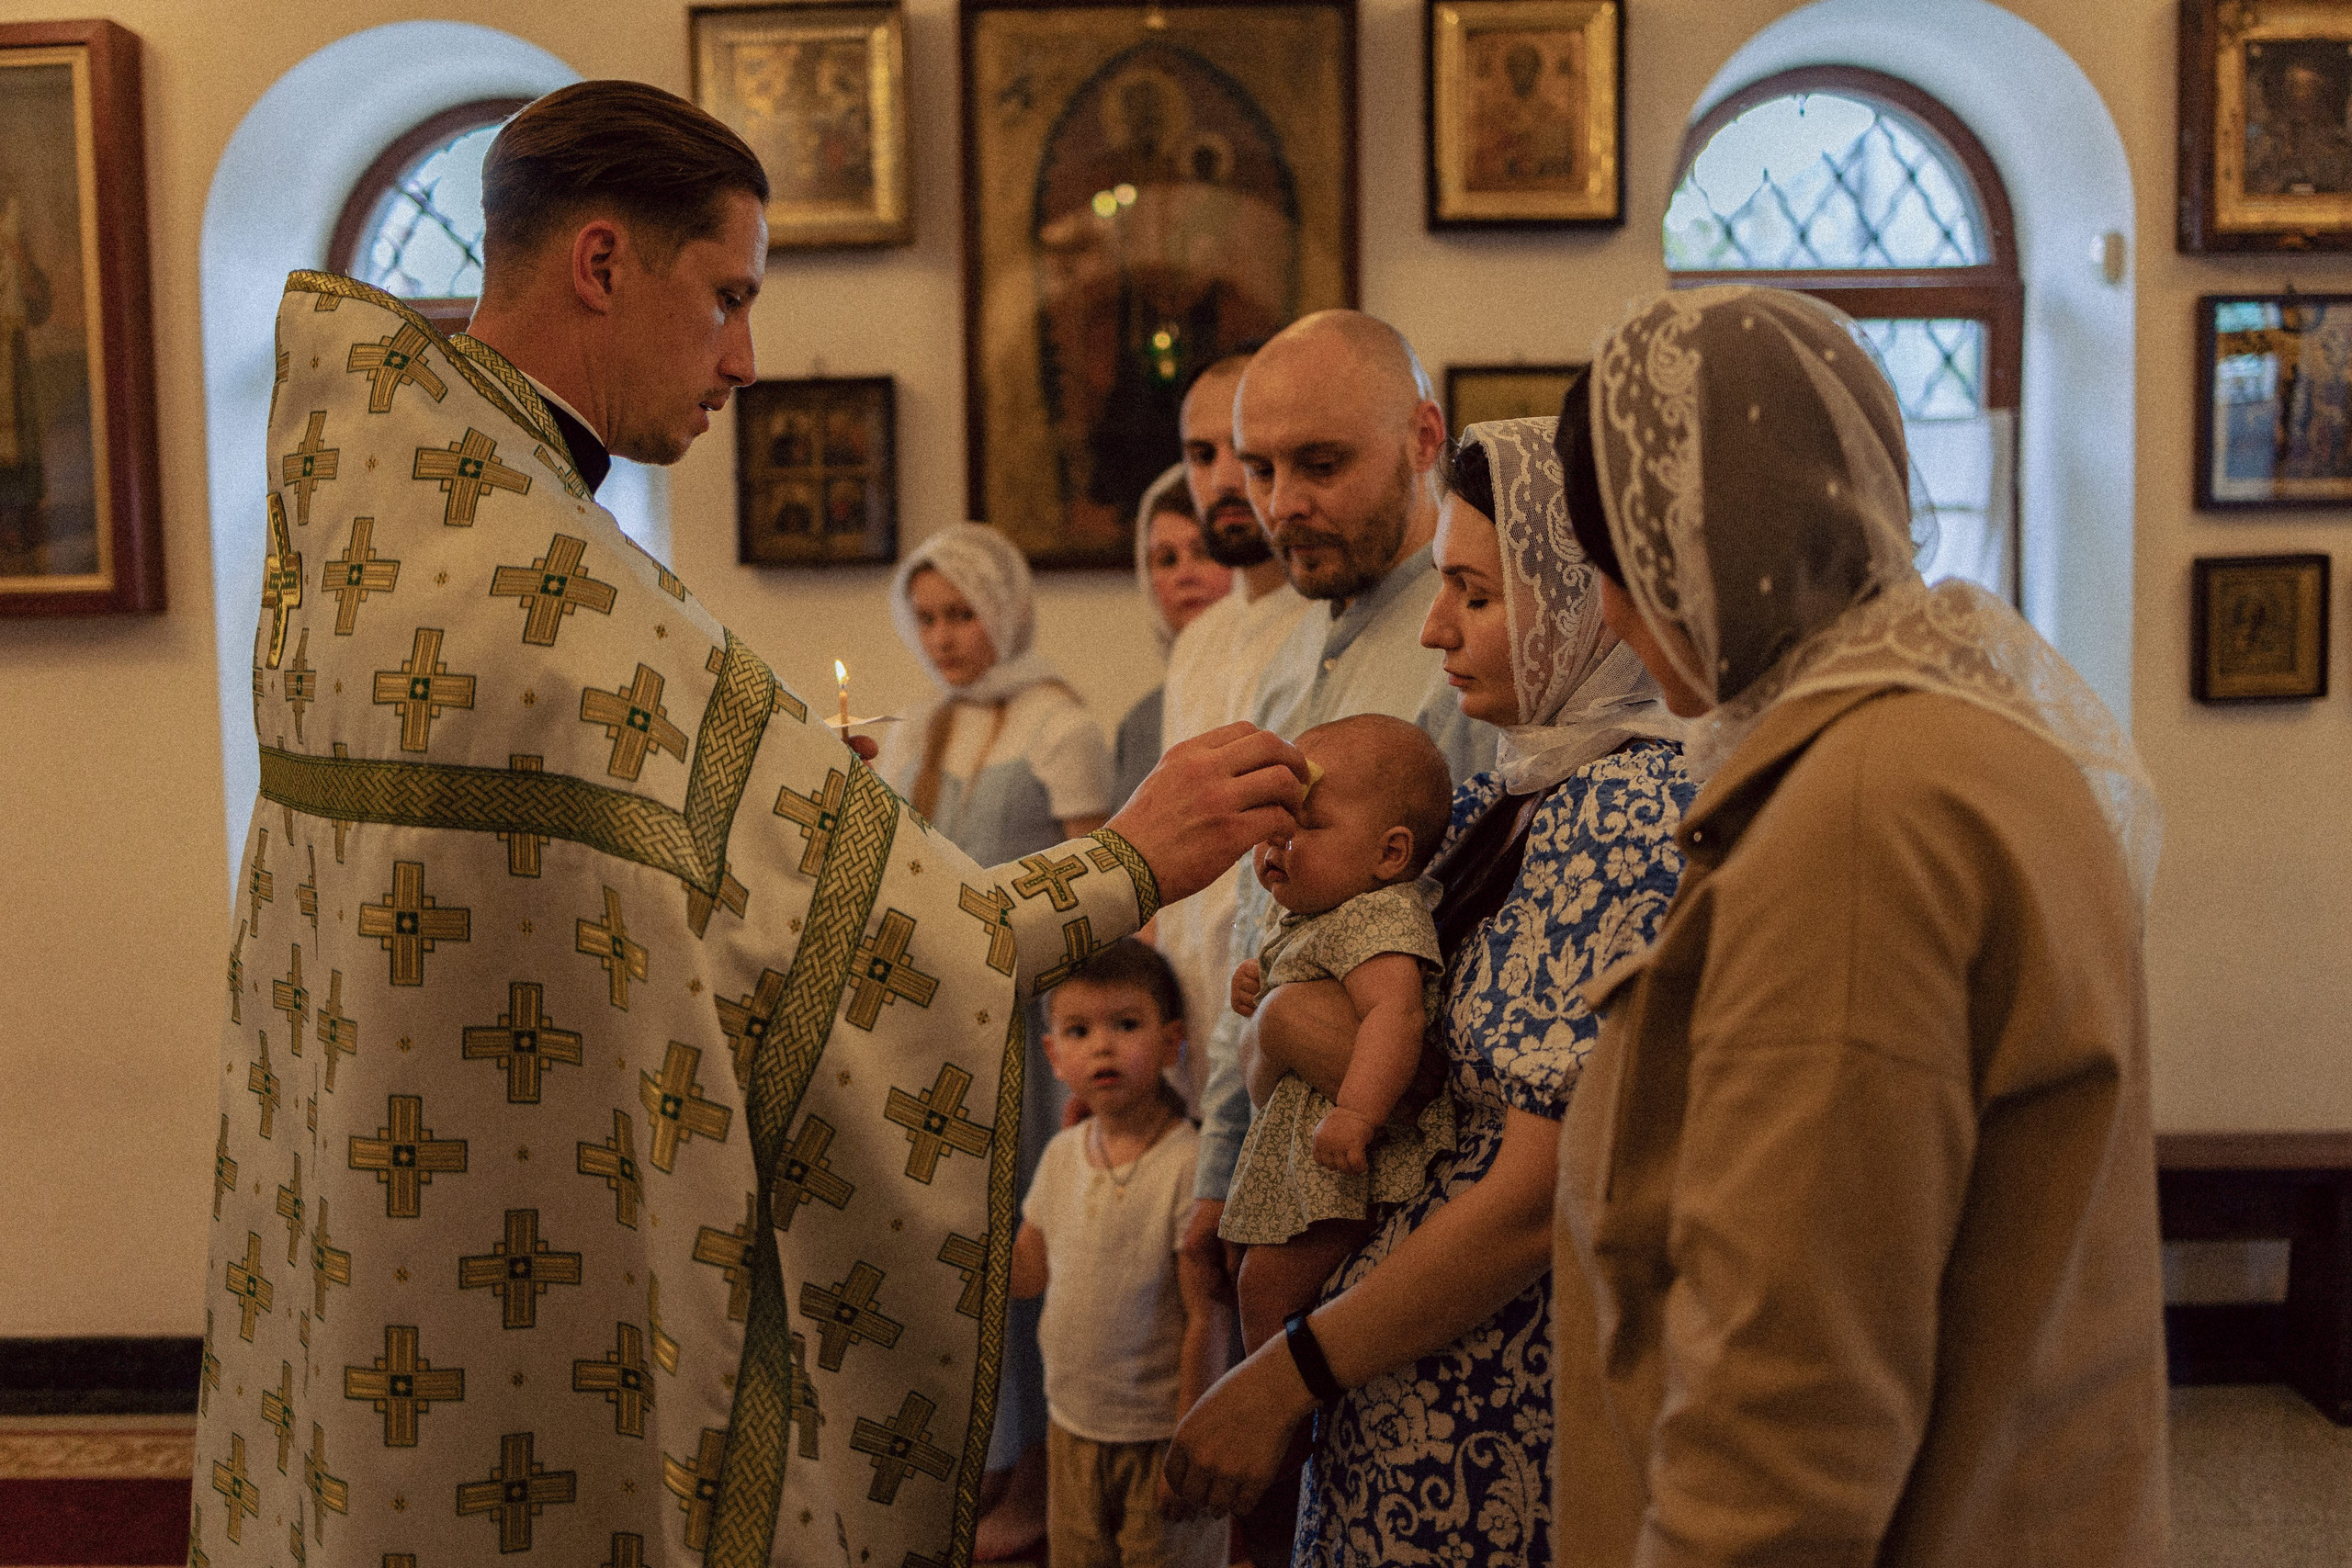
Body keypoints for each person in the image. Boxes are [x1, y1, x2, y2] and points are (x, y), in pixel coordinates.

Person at [197, 81, 1307, 1568]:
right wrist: (1132, 856)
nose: (745, 357)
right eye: (725, 295)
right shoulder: (546, 595)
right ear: (603, 262)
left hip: (378, 1275)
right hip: (539, 1309)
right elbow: (875, 938)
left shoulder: (384, 529)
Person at [1548, 286, 2168, 1566]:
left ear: (1697, 549)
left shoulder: (1854, 818)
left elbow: (1791, 1407)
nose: (1610, 613)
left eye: (1617, 567)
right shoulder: (1980, 735)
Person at [1161, 413, 1690, 1568]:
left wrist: (1284, 1374)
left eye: (1475, 594)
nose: (1438, 626)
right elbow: (1328, 1006)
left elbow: (1534, 1195)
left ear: (1578, 599)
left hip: (1487, 1393)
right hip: (1392, 1364)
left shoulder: (1625, 809)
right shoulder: (1514, 790)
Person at [1189, 308, 1496, 1565]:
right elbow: (1265, 923)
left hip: (1378, 1188)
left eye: (1323, 464)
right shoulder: (1287, 657)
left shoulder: (1469, 658)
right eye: (1260, 468)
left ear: (1422, 438)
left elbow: (1440, 983)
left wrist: (1283, 1040)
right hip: (1275, 1149)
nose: (1280, 502)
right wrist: (1215, 1173)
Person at [873, 518, 1119, 1558]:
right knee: (953, 1239)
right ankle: (978, 1455)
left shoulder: (1057, 721)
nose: (944, 636)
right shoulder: (915, 727)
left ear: (1005, 610)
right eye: (926, 617)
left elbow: (1101, 882)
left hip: (1028, 1017)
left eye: (962, 613)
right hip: (938, 1016)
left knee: (1027, 1235)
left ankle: (1037, 1475)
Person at [1218, 715, 1457, 1358]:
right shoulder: (1321, 908)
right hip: (1309, 1156)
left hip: (1348, 1161)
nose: (1275, 841)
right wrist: (1257, 982)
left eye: (1306, 825)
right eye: (1275, 821)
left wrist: (1357, 1111)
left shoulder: (1378, 913)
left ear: (1390, 853)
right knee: (1261, 1282)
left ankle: (1266, 1423)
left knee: (1267, 1289)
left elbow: (1394, 1015)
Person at [1011, 939, 1228, 1568]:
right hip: (1072, 1426)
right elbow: (1028, 1275)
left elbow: (1205, 1314)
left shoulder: (1186, 1163)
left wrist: (1192, 1441)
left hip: (1158, 1436)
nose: (1101, 1046)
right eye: (1079, 1030)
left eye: (1125, 1023)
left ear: (1171, 1041)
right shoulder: (1061, 1155)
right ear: (1053, 1054)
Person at [1152, 346, 1307, 1106]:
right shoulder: (1198, 640)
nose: (1221, 479)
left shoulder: (1325, 622)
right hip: (1187, 1027)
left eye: (1242, 452)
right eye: (1200, 453)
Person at [1109, 468, 1234, 814]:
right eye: (1166, 560)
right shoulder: (1141, 723)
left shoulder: (1284, 677)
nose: (1185, 575)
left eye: (1203, 552)